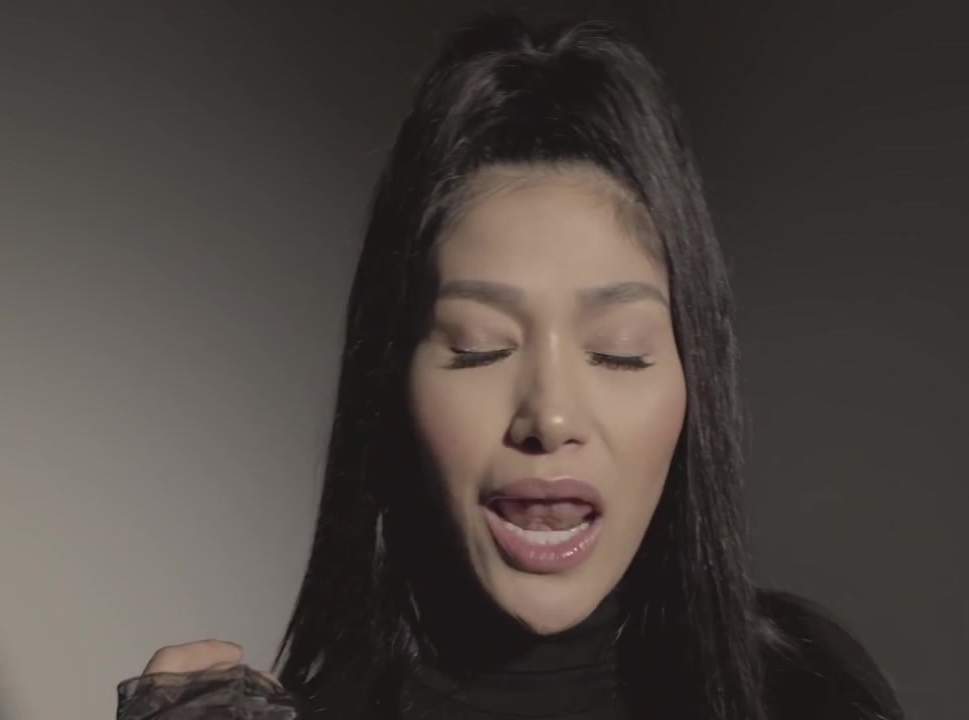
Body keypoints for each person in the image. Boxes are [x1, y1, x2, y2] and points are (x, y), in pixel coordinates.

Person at [116, 15, 904, 720]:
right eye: (480, 347)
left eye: (619, 350)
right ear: (392, 379)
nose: (550, 416)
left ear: (694, 380)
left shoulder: (804, 690)